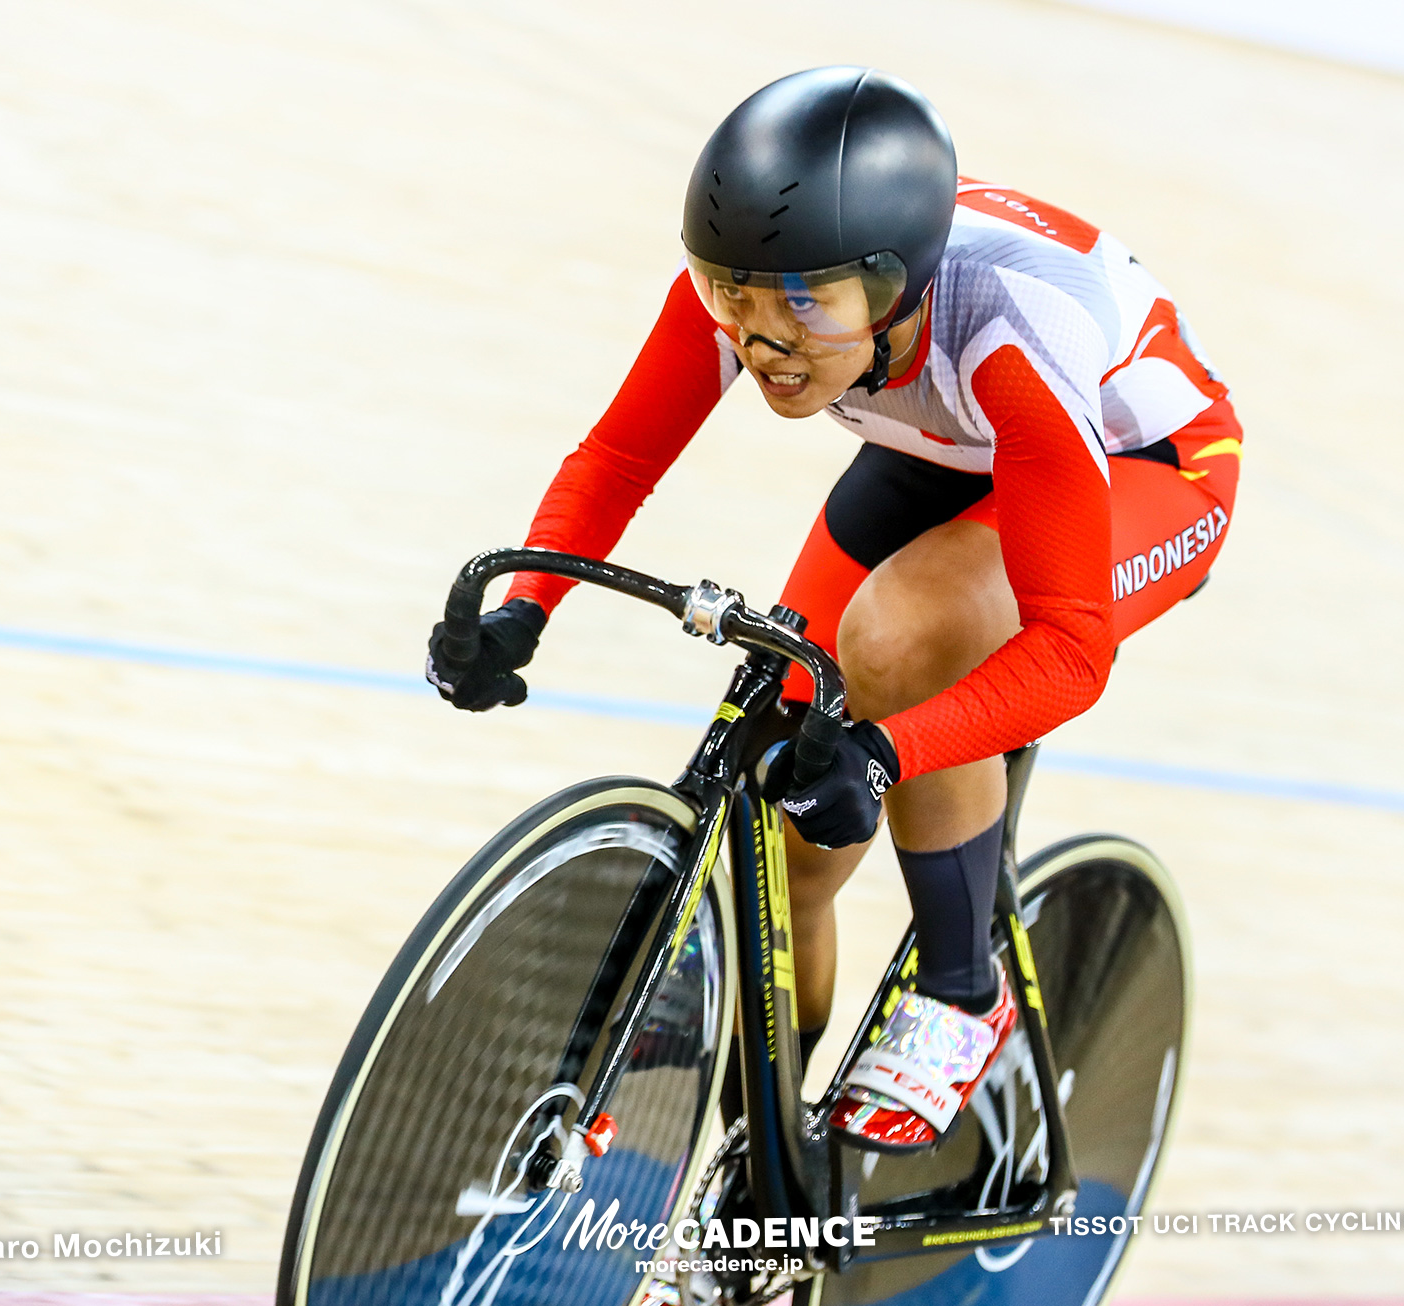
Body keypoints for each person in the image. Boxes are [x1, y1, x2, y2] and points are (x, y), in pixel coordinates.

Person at [426, 66, 1241, 1152]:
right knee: (784, 786)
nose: (764, 341)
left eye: (805, 304)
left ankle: (961, 992)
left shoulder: (1006, 324)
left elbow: (1069, 650)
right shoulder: (758, 281)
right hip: (940, 445)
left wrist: (887, 751)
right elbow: (620, 455)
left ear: (892, 283)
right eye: (736, 299)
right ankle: (772, 1153)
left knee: (907, 636)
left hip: (1144, 466)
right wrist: (523, 612)